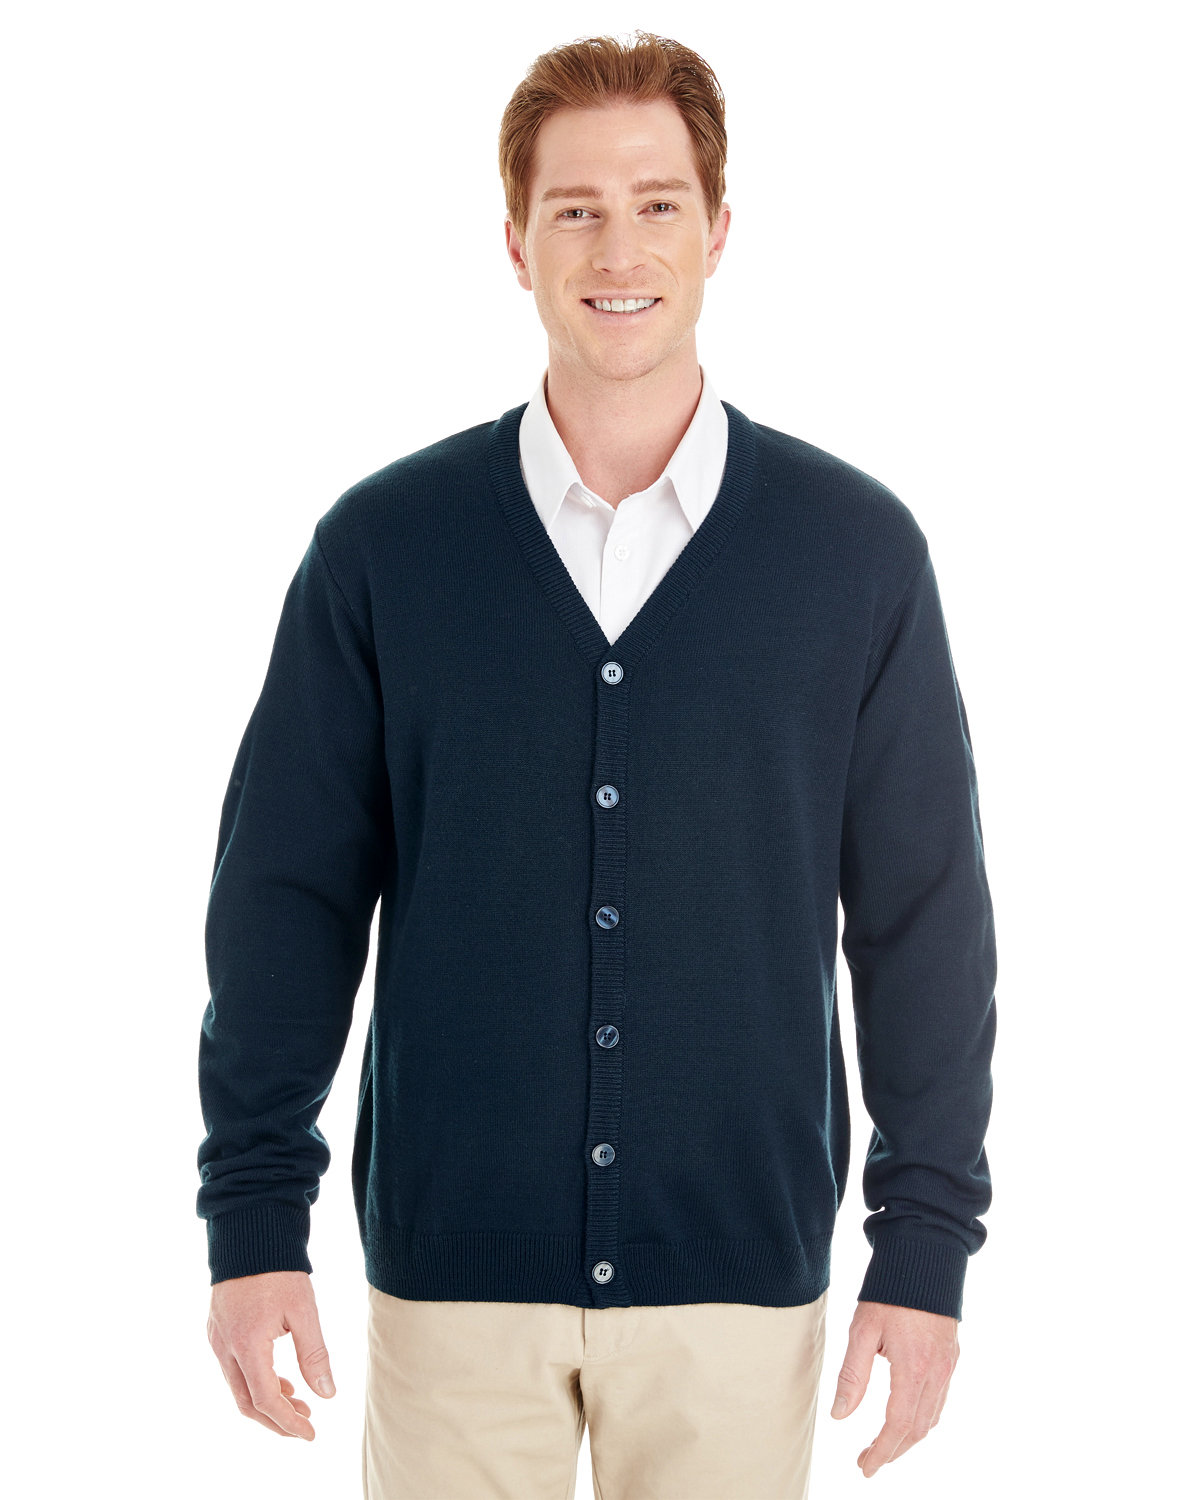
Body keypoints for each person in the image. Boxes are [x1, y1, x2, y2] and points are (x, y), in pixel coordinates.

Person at [197, 30, 997, 1497]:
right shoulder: (384, 551)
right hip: (452, 1284)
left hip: (736, 1285)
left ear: (718, 231)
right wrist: (253, 1221)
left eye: (656, 204)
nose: (617, 249)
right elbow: (284, 902)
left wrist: (925, 1247)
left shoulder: (856, 555)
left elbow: (924, 923)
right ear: (515, 242)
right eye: (574, 208)